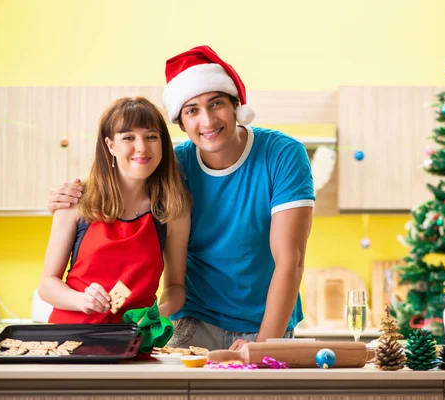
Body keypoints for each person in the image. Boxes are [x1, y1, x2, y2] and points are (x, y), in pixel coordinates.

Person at [48, 46, 314, 350]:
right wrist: (68, 196)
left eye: (216, 104)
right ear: (181, 122)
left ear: (236, 106)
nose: (207, 120)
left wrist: (264, 345)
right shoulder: (174, 167)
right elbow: (120, 182)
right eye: (192, 111)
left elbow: (290, 261)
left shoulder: (282, 154)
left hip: (266, 323)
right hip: (192, 322)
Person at [40, 97, 191, 323]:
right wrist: (82, 300)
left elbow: (175, 286)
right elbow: (47, 285)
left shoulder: (173, 209)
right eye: (128, 137)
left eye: (151, 136)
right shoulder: (76, 199)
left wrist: (159, 313)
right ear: (110, 145)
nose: (141, 147)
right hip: (70, 339)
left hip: (134, 343)